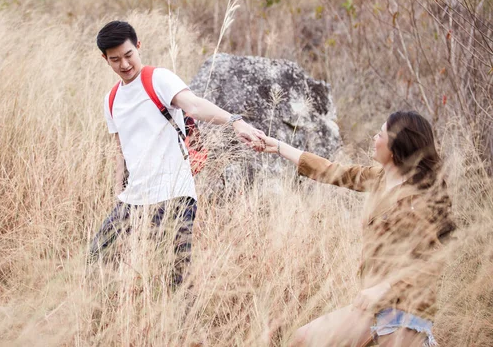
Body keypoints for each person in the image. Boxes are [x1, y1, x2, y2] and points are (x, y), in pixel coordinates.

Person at [89, 20, 265, 287]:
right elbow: (121, 149)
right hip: (135, 197)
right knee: (98, 254)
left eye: (128, 55)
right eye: (115, 60)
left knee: (176, 274)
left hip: (174, 193)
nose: (124, 65)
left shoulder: (158, 79)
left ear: (138, 47)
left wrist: (236, 121)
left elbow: (193, 105)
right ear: (105, 59)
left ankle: (184, 326)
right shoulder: (111, 99)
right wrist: (118, 193)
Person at [259, 111, 455, 347]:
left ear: (395, 146)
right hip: (375, 307)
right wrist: (278, 146)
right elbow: (335, 171)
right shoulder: (382, 178)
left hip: (403, 313)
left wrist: (384, 287)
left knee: (305, 339)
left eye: (380, 134)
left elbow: (432, 262)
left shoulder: (416, 202)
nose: (374, 138)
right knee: (303, 338)